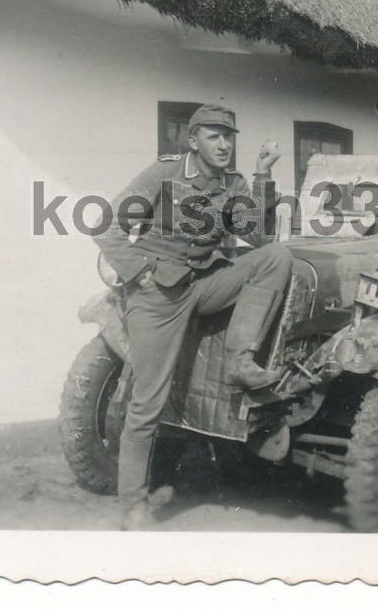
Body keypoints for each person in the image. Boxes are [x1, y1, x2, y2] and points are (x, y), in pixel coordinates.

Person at [95, 103, 294, 530]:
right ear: (192, 140)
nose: (223, 145)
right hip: (158, 296)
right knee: (147, 401)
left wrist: (262, 174)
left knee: (276, 257)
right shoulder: (163, 174)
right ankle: (133, 505)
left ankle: (240, 360)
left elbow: (259, 237)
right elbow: (108, 228)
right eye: (213, 136)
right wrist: (142, 274)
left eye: (229, 137)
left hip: (202, 286)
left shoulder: (233, 183)